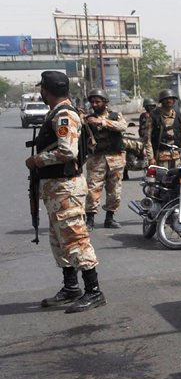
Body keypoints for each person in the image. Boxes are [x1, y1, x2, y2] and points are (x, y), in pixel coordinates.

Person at [24, 71, 105, 313]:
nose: (41, 92)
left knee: (75, 238)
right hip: (56, 188)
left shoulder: (64, 115)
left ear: (46, 91)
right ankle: (71, 288)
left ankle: (94, 291)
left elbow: (67, 151)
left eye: (42, 89)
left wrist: (37, 160)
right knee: (60, 240)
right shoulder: (57, 112)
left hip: (65, 187)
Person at [82, 89, 128, 229]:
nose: (95, 104)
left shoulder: (115, 116)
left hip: (116, 158)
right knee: (93, 190)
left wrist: (102, 122)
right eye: (92, 102)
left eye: (98, 101)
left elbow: (123, 126)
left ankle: (110, 218)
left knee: (114, 190)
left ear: (105, 102)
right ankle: (90, 219)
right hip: (96, 159)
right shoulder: (87, 119)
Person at [142, 89, 181, 168]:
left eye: (171, 98)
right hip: (162, 157)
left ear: (174, 100)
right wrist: (151, 158)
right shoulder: (154, 116)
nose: (169, 101)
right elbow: (147, 139)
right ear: (162, 101)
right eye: (166, 99)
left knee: (179, 178)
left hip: (176, 156)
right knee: (163, 179)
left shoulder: (177, 115)